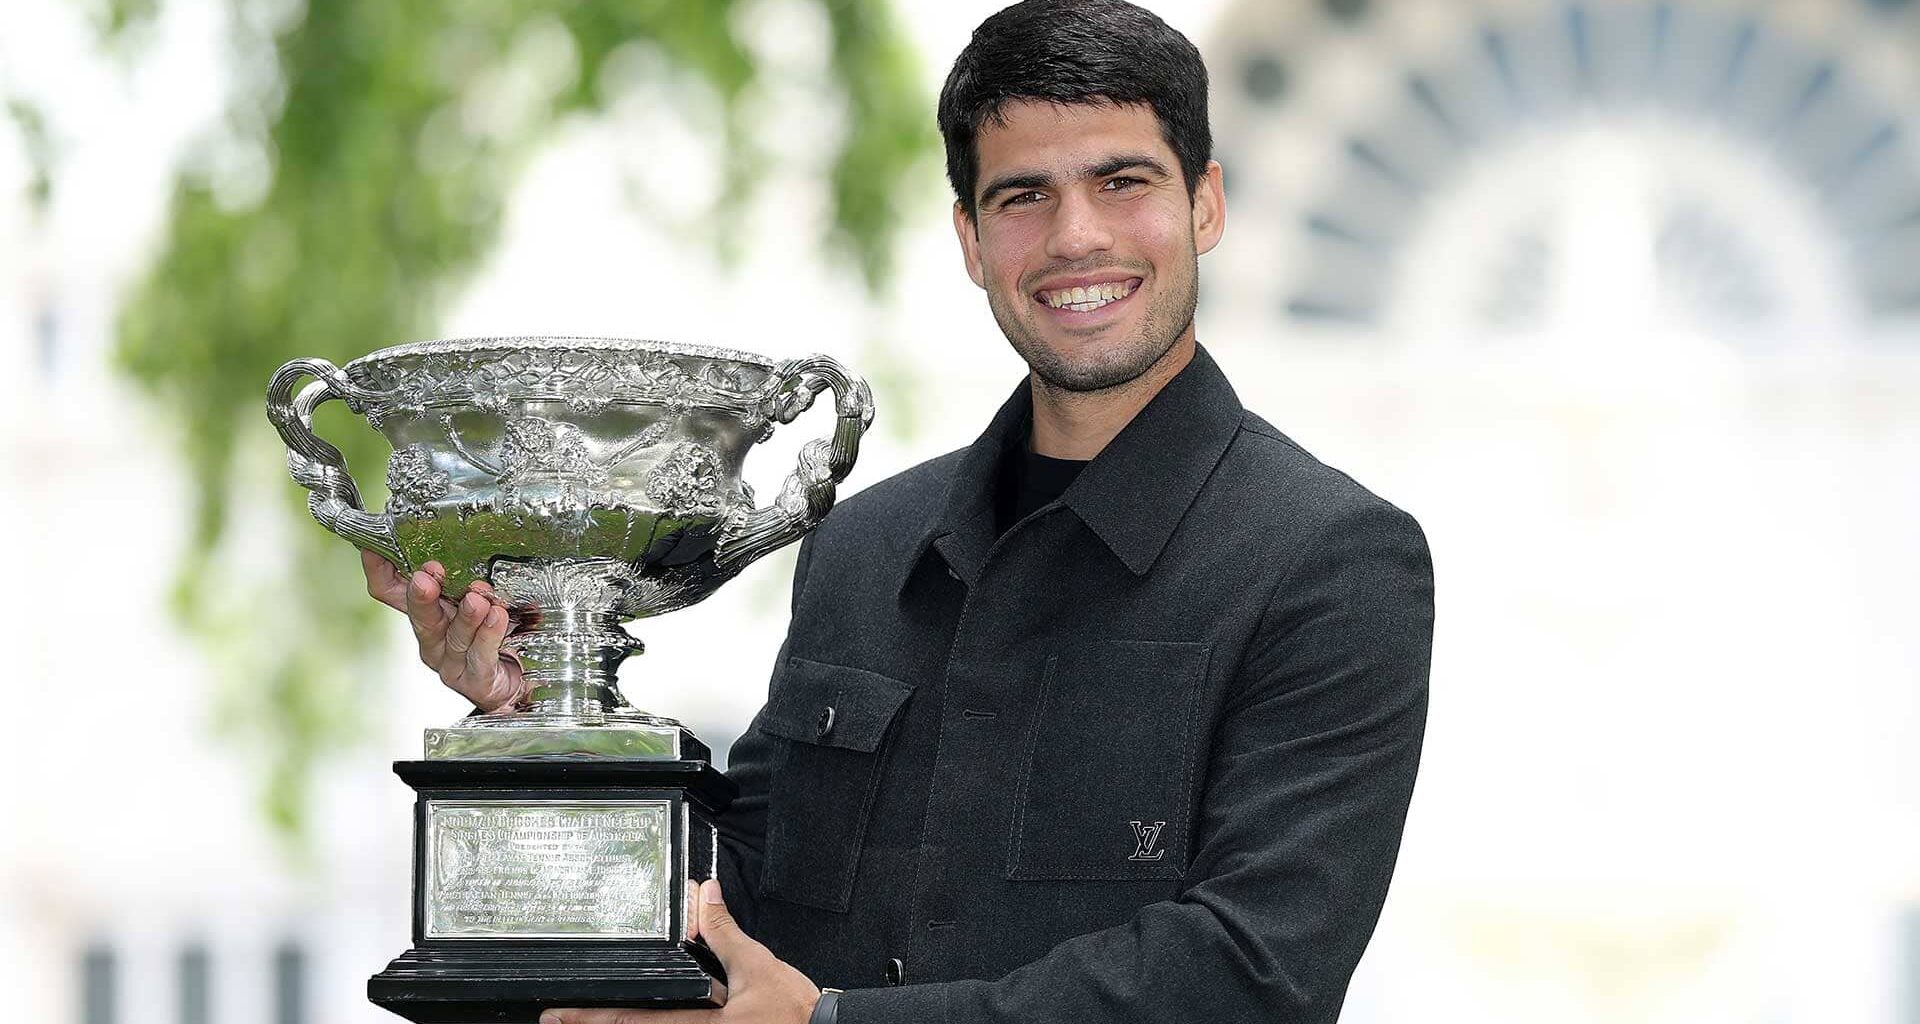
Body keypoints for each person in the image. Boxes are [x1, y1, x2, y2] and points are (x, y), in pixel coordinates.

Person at [363, 2, 1435, 1021]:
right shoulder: (866, 547)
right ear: (971, 239)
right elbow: (728, 903)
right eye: (1023, 196)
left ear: (1204, 202)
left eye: (1122, 181)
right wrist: (548, 718)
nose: (1075, 237)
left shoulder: (1328, 562)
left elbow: (1252, 977)